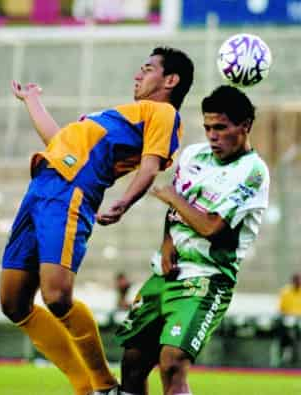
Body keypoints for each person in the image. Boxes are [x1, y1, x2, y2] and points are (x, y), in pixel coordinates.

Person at [0, 46, 194, 395]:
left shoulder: (162, 113)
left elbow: (150, 167)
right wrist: (31, 101)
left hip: (71, 192)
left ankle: (102, 385)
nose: (137, 74)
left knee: (57, 296)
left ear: (171, 80)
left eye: (147, 68)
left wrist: (122, 202)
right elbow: (58, 142)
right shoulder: (115, 115)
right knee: (13, 303)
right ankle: (84, 386)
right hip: (41, 185)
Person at [116, 85, 270, 395]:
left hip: (207, 279)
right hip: (166, 275)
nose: (212, 136)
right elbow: (177, 215)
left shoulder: (252, 172)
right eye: (208, 127)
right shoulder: (193, 155)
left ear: (245, 126)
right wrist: (167, 243)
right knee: (132, 362)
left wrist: (172, 198)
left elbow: (212, 227)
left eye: (221, 128)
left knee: (172, 362)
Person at [277, 273, 301, 365]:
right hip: (287, 320)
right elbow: (281, 308)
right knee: (284, 337)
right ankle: (282, 359)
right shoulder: (286, 291)